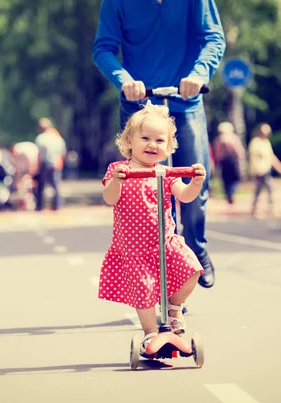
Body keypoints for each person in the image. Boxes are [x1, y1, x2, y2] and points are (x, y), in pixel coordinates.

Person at [93, 0, 225, 288]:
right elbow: (103, 48)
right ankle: (160, 270)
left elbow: (213, 37)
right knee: (143, 190)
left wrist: (199, 74)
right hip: (138, 101)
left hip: (186, 99)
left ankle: (196, 245)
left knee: (194, 178)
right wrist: (124, 80)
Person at [99, 101, 206, 353]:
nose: (151, 145)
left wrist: (196, 183)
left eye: (159, 141)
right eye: (145, 138)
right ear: (129, 141)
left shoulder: (167, 172)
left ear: (168, 147)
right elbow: (109, 198)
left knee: (192, 269)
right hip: (134, 248)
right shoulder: (119, 170)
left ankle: (174, 308)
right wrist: (116, 181)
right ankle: (149, 333)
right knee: (144, 293)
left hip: (165, 241)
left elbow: (185, 195)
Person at [248, 123, 281, 219]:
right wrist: (257, 170)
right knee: (264, 189)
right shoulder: (255, 142)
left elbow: (271, 157)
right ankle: (259, 210)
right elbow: (253, 158)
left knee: (267, 189)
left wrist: (279, 167)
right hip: (260, 171)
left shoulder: (266, 142)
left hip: (266, 170)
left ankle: (263, 209)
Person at [34, 118, 67, 211]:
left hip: (44, 163)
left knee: (41, 186)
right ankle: (56, 206)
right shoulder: (58, 138)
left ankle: (40, 206)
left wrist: (37, 166)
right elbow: (62, 153)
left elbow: (39, 154)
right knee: (55, 186)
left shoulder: (40, 138)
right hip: (55, 164)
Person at [213, 122, 245, 205]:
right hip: (233, 161)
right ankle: (232, 192)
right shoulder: (234, 138)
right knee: (235, 178)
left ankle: (229, 194)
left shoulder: (218, 139)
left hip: (223, 162)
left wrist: (218, 161)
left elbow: (217, 152)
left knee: (225, 179)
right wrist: (240, 159)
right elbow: (238, 150)